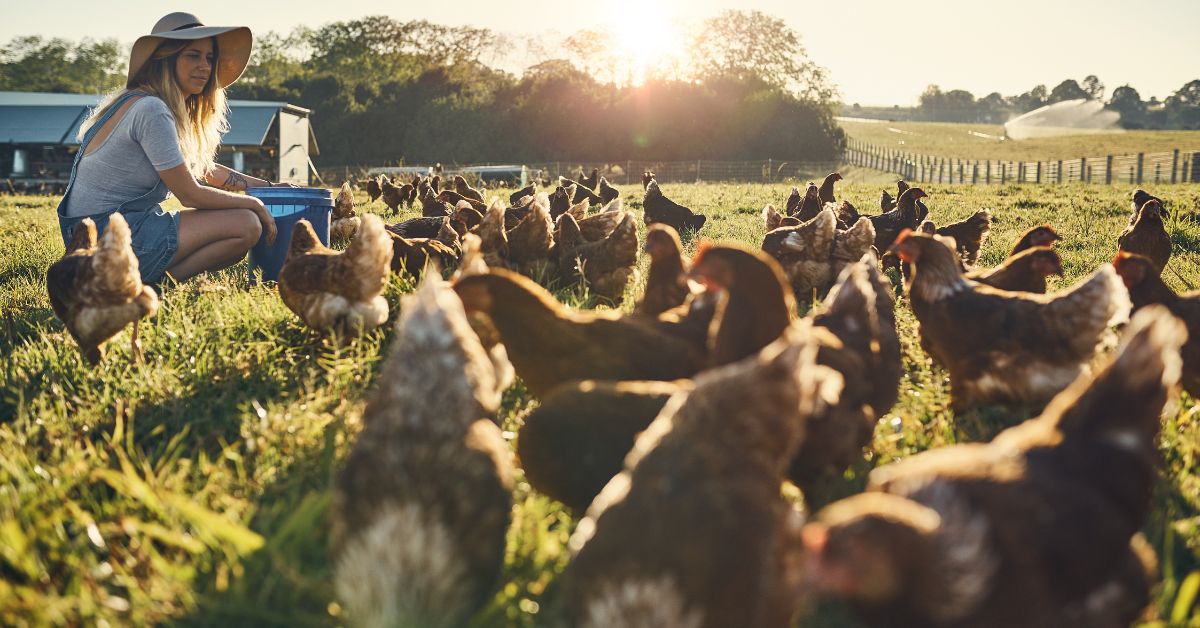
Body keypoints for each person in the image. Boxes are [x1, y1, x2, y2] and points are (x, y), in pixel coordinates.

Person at [56, 12, 289, 284]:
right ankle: (151, 286)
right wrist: (255, 204)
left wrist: (269, 187)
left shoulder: (141, 101)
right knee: (246, 224)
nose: (204, 66)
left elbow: (203, 170)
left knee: (243, 224)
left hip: (91, 236)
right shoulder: (151, 109)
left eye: (209, 58)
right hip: (103, 237)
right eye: (193, 55)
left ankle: (150, 283)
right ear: (165, 59)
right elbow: (190, 194)